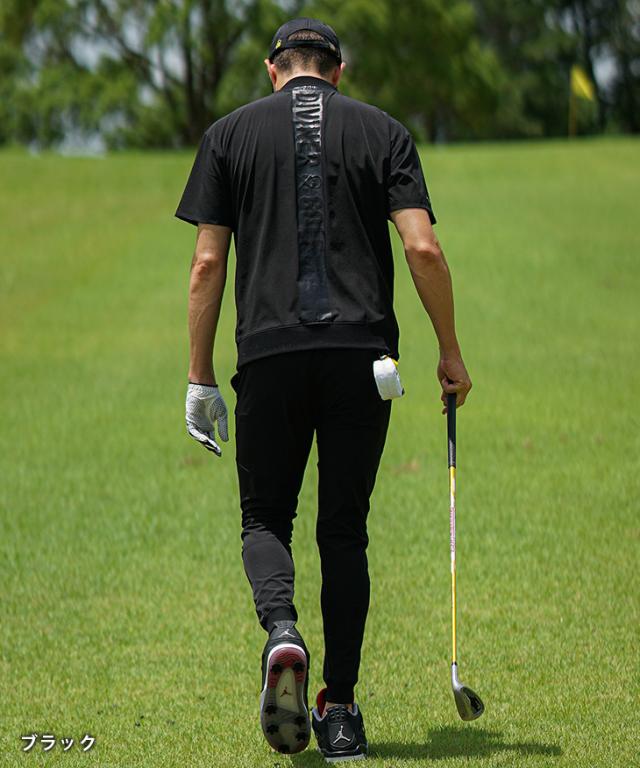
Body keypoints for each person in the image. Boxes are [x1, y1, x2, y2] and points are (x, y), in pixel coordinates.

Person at [175, 17, 472, 762]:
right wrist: (450, 351)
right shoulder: (385, 132)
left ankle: (282, 631)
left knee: (264, 518)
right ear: (338, 72)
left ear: (273, 70)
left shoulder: (228, 135)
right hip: (362, 360)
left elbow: (207, 265)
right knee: (344, 530)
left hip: (268, 355)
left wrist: (199, 376)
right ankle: (339, 712)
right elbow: (422, 246)